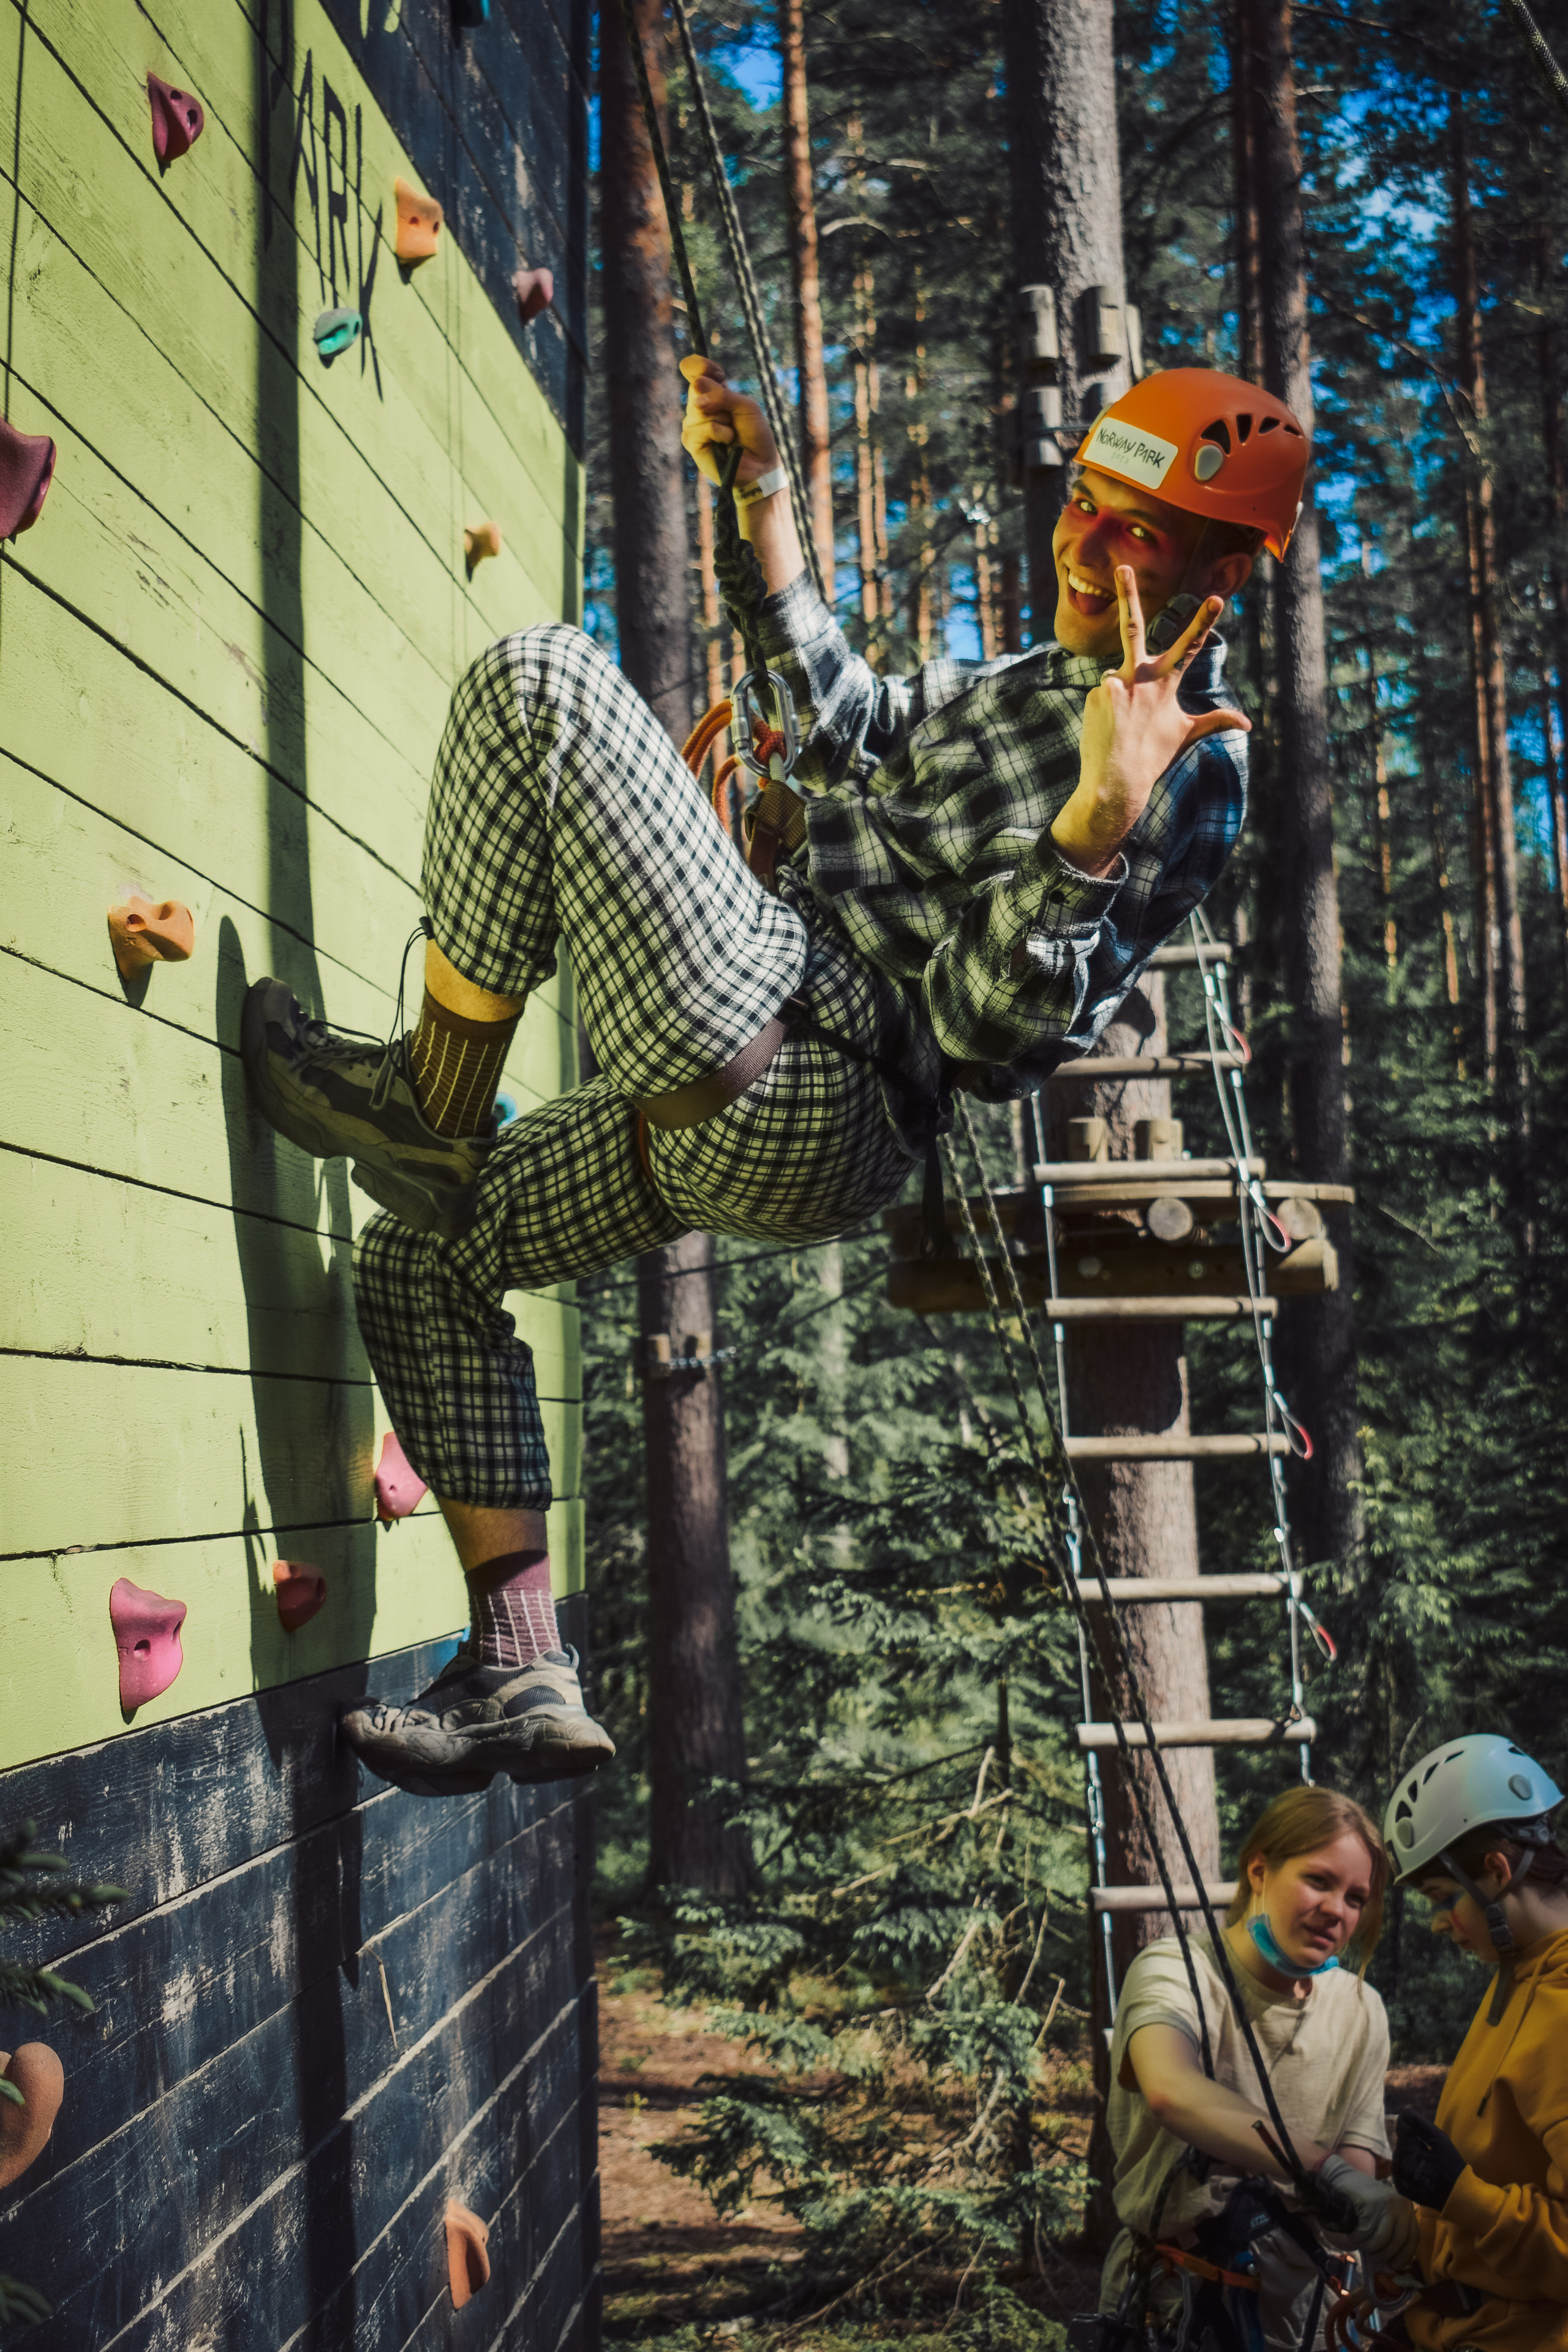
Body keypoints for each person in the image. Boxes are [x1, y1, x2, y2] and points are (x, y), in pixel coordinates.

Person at [241, 364, 1306, 1797]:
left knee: (541, 684)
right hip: (761, 1040)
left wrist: (1088, 830)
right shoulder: (1028, 682)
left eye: (1139, 534)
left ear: (1225, 569)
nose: (1082, 544)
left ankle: (424, 1108)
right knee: (421, 1263)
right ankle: (520, 1663)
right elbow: (842, 724)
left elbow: (994, 1032)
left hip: (817, 1063)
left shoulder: (1182, 770)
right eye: (1081, 503)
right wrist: (765, 500)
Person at [1097, 1785, 1418, 2350]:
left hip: (1306, 2315)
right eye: (1319, 1881)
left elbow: (1356, 2162)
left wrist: (1361, 2208)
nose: (1336, 1911)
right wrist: (1326, 2170)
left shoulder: (1360, 2009)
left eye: (1356, 1898)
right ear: (1259, 1870)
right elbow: (1171, 2088)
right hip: (1169, 2308)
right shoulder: (1176, 1971)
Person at [1367, 1731, 1568, 2350]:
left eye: (1441, 1897)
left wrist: (1464, 2197)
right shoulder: (1513, 1974)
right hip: (1454, 2323)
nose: (1434, 1921)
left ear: (1497, 1871)